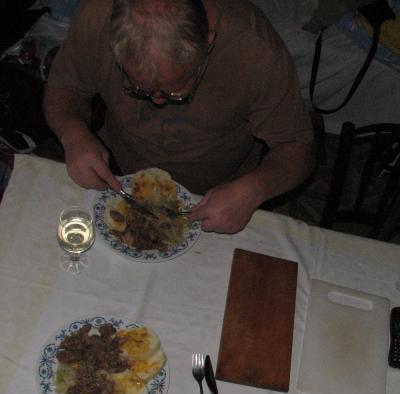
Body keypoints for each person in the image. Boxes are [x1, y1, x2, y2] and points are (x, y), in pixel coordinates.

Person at [43, 0, 315, 233]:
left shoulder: (255, 49)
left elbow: (298, 146)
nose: (158, 101)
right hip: (119, 175)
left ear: (208, 42)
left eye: (173, 91)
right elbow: (65, 86)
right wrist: (73, 134)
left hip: (220, 195)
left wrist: (255, 188)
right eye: (139, 89)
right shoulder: (96, 16)